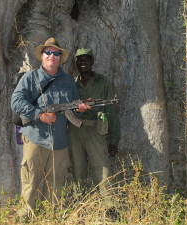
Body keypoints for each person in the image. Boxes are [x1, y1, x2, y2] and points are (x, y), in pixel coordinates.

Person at [11, 38, 89, 218]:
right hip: (35, 138)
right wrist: (39, 114)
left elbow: (75, 113)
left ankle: (50, 218)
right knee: (30, 183)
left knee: (56, 184)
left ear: (61, 58)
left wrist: (80, 109)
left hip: (60, 142)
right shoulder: (30, 77)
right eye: (48, 53)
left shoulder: (68, 82)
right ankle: (24, 219)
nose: (52, 56)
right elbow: (16, 101)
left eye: (56, 53)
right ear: (42, 56)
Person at [68, 48, 121, 194]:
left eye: (86, 59)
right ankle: (81, 205)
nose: (83, 61)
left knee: (103, 169)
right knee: (77, 171)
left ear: (92, 62)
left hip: (96, 130)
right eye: (80, 59)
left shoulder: (103, 82)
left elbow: (111, 111)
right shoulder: (70, 84)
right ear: (76, 63)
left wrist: (114, 140)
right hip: (74, 131)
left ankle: (110, 206)